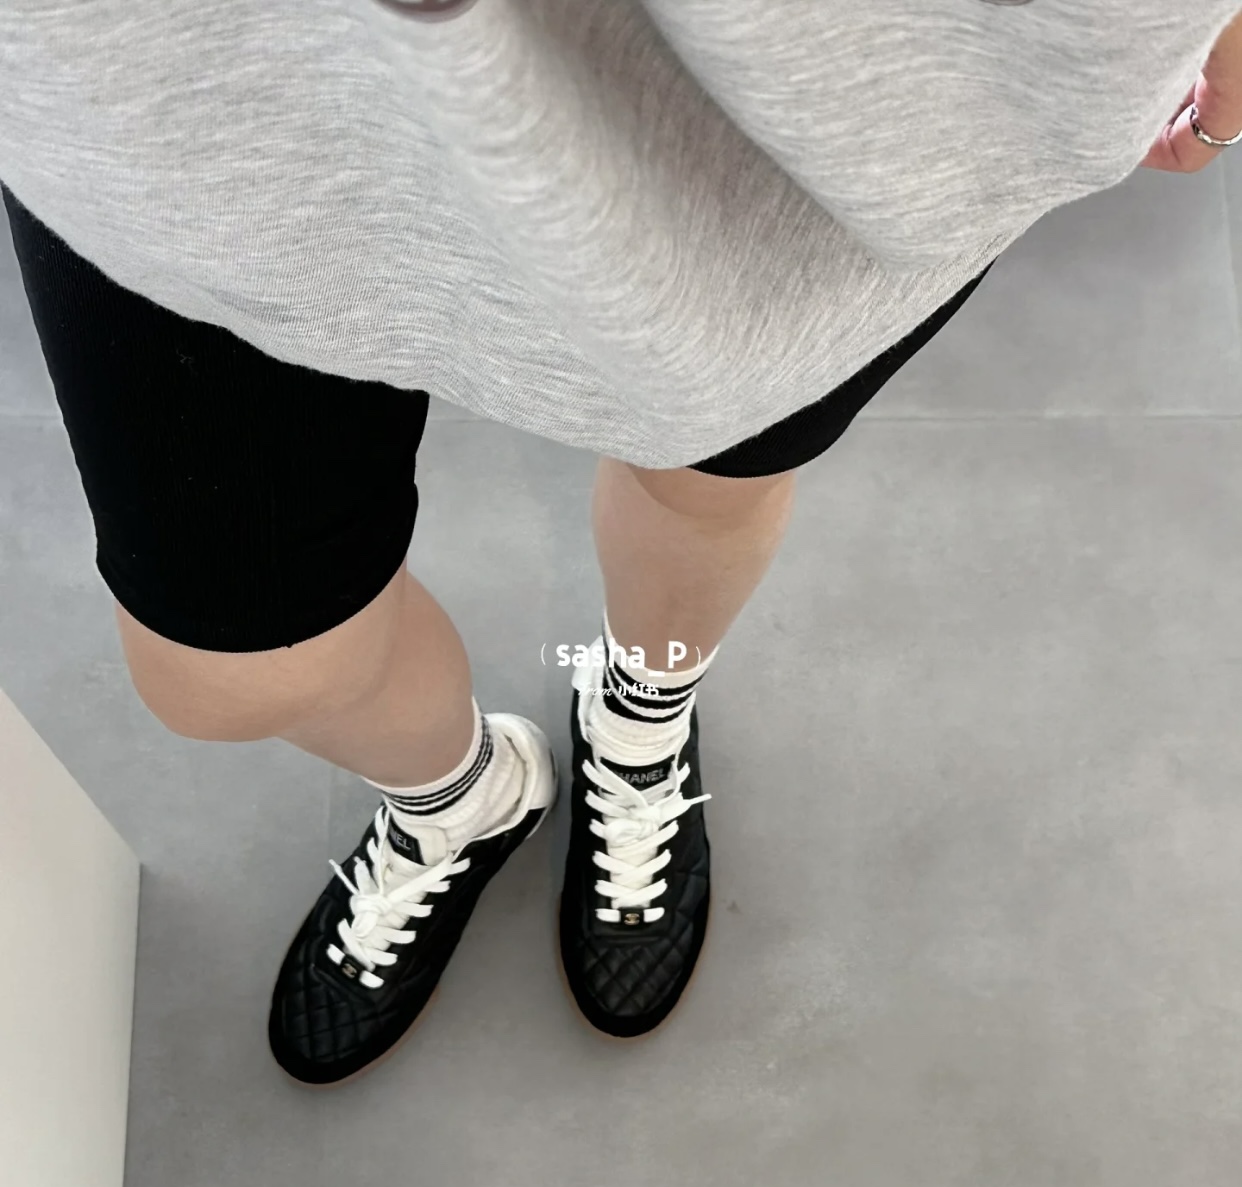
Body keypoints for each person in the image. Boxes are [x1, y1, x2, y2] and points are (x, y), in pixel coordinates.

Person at [1, 1, 1239, 1087]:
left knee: (710, 467)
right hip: (191, 95)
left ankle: (639, 717)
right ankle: (464, 801)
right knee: (233, 663)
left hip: (832, 81)